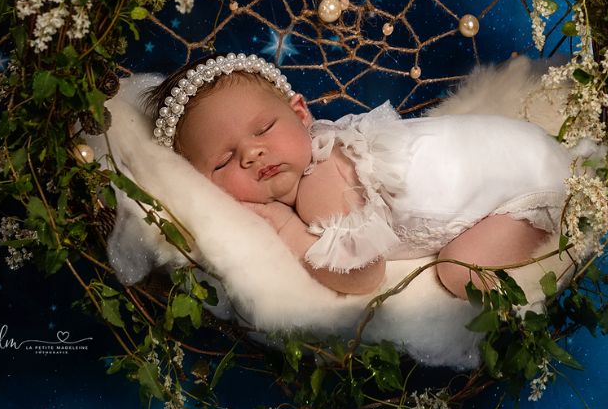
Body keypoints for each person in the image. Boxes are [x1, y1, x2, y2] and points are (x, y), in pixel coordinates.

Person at [142, 53, 573, 299]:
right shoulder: (332, 147)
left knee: (459, 274)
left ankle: (564, 235)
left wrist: (288, 229)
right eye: (223, 162)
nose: (253, 153)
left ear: (300, 113)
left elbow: (365, 275)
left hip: (528, 184)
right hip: (519, 146)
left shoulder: (322, 183)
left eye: (263, 129)